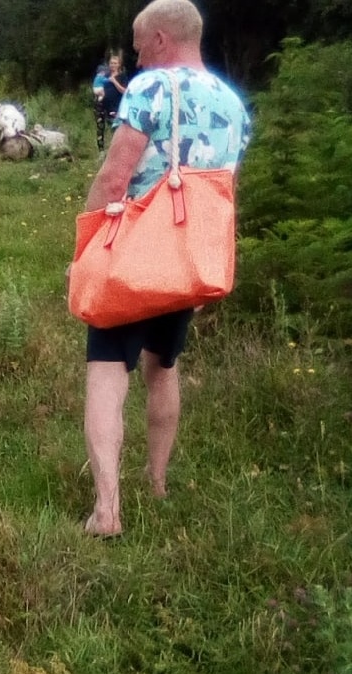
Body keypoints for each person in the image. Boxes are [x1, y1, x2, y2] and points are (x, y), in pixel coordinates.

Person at [79, 0, 251, 537]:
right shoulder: (233, 103)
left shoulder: (151, 89)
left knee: (107, 370)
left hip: (134, 255)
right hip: (188, 260)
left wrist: (85, 249)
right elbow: (224, 197)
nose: (133, 54)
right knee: (163, 368)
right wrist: (210, 265)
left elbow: (114, 178)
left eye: (136, 43)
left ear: (158, 38)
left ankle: (107, 510)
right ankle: (156, 484)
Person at [93, 51, 129, 153]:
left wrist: (114, 81)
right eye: (111, 63)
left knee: (115, 129)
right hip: (101, 105)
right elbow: (97, 84)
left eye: (115, 63)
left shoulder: (122, 76)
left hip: (115, 107)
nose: (112, 65)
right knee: (100, 129)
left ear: (119, 65)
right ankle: (101, 151)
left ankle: (115, 152)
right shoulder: (104, 75)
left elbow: (125, 91)